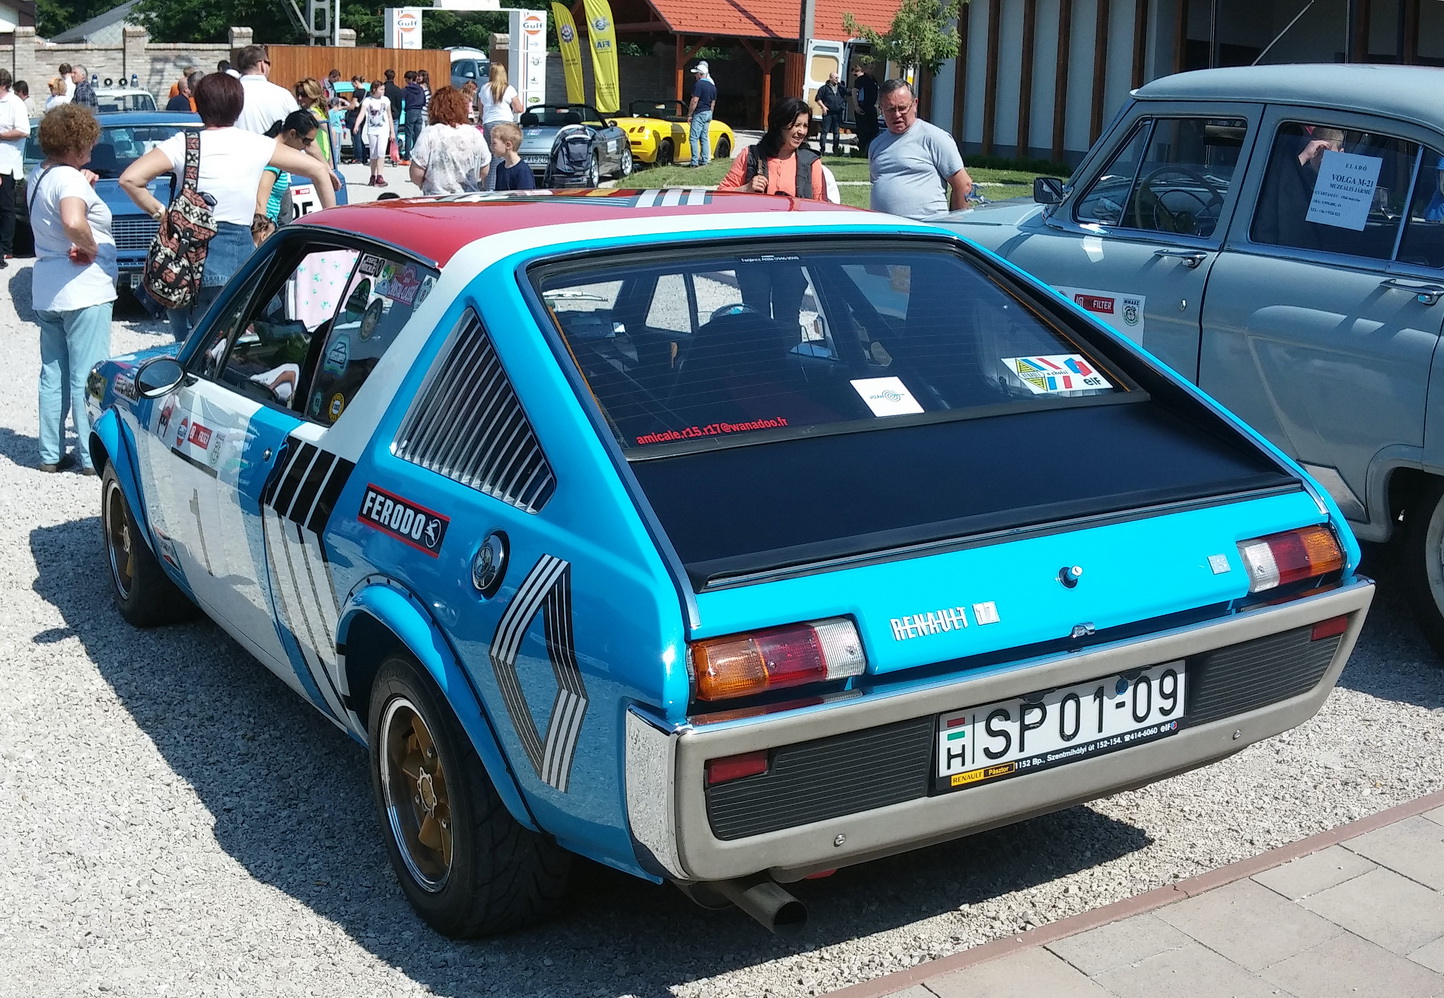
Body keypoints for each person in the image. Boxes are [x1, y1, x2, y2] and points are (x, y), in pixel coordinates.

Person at [119, 73, 336, 341]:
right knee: (227, 350)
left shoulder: (183, 144)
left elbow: (130, 179)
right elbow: (317, 170)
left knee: (186, 347)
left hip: (185, 257)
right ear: (238, 106)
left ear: (199, 104)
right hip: (235, 255)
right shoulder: (255, 144)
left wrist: (163, 214)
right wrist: (330, 220)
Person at [27, 104, 117, 474]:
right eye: (88, 144)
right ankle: (87, 453)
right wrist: (91, 246)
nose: (92, 150)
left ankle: (49, 452)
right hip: (83, 289)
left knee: (53, 371)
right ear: (76, 145)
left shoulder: (40, 173)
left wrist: (83, 184)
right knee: (88, 372)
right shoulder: (70, 180)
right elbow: (72, 219)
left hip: (48, 286)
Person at [868, 80, 973, 220]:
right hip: (885, 232)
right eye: (890, 109)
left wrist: (956, 225)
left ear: (915, 104)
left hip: (925, 233)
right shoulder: (876, 145)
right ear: (881, 109)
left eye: (902, 108)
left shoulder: (934, 138)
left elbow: (963, 185)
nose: (897, 114)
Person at [719, 97, 827, 199]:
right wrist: (745, 189)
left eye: (805, 126)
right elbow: (720, 195)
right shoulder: (750, 155)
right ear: (779, 125)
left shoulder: (811, 162)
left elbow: (821, 206)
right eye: (797, 125)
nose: (801, 132)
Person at [409, 86, 492, 196]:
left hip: (436, 198)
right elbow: (484, 170)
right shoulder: (474, 133)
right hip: (468, 198)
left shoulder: (429, 133)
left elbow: (416, 173)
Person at [255, 109, 320, 235]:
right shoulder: (274, 160)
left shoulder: (276, 153)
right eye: (306, 141)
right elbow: (260, 204)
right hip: (264, 230)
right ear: (292, 133)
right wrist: (261, 234)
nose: (306, 147)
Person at [0, 69, 29, 267]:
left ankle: (5, 250)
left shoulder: (14, 103)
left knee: (5, 208)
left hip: (6, 163)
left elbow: (24, 131)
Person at [235, 45, 299, 134]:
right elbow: (300, 130)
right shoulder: (283, 96)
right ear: (262, 65)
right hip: (275, 147)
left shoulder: (227, 95)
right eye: (268, 63)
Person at [479, 64, 524, 188]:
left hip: (488, 123)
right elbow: (519, 108)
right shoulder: (508, 89)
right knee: (506, 156)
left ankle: (488, 186)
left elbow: (481, 108)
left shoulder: (484, 88)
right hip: (505, 123)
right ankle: (501, 184)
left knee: (490, 156)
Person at [358, 80, 394, 186]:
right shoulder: (367, 101)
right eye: (381, 89)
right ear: (374, 89)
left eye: (383, 89)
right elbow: (362, 113)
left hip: (383, 129)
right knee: (373, 153)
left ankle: (380, 175)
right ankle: (372, 175)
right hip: (372, 129)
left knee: (381, 151)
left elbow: (389, 116)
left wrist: (392, 131)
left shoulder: (386, 100)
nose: (383, 91)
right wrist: (357, 125)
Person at [686, 61, 717, 167]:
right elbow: (713, 102)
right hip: (708, 112)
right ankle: (705, 160)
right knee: (704, 137)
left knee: (694, 138)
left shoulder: (699, 84)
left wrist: (689, 114)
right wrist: (710, 113)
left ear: (700, 74)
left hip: (700, 112)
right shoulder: (712, 86)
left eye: (696, 74)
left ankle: (694, 161)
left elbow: (695, 100)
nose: (695, 76)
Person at [489, 123, 535, 191]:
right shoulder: (500, 168)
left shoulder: (522, 171)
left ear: (508, 145)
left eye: (494, 143)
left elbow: (525, 198)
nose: (491, 147)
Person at [816, 72, 848, 156]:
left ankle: (836, 150)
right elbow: (818, 99)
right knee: (825, 131)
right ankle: (822, 149)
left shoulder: (840, 88)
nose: (837, 79)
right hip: (828, 113)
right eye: (835, 78)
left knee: (836, 132)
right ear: (830, 78)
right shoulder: (824, 88)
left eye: (838, 77)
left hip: (838, 113)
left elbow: (847, 93)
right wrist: (823, 107)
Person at [852, 65, 879, 156]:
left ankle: (869, 148)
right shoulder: (861, 79)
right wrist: (856, 106)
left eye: (874, 68)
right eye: (871, 68)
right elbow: (854, 91)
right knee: (863, 130)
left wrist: (877, 105)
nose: (873, 70)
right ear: (866, 69)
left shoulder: (874, 80)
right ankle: (862, 149)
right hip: (862, 107)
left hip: (871, 107)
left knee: (874, 129)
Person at [402, 70, 427, 160]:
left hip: (410, 111)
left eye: (406, 80)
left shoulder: (407, 89)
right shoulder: (421, 89)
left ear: (410, 79)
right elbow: (424, 101)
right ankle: (417, 155)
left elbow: (401, 97)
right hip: (419, 112)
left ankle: (407, 155)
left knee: (408, 134)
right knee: (418, 135)